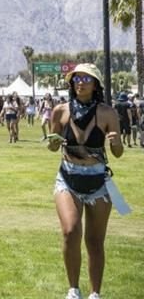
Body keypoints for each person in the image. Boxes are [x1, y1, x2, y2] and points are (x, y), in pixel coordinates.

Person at [47, 64, 125, 299]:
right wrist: (53, 142)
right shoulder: (60, 111)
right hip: (67, 179)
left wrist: (115, 143)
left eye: (86, 79)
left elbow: (118, 153)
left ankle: (95, 293)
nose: (80, 82)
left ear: (96, 84)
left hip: (98, 182)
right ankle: (73, 290)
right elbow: (52, 147)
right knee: (71, 231)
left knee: (94, 240)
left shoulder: (108, 113)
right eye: (77, 78)